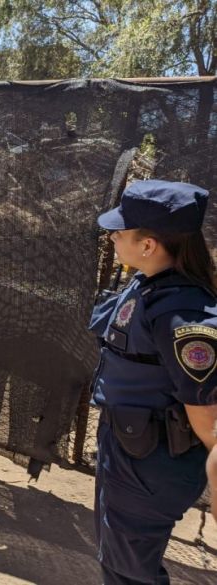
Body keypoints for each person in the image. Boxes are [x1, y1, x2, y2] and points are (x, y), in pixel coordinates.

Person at [89, 180, 217, 583]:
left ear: (148, 244)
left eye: (121, 231)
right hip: (129, 447)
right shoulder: (150, 282)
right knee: (119, 562)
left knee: (130, 573)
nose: (112, 237)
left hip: (151, 461)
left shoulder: (184, 312)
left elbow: (209, 418)